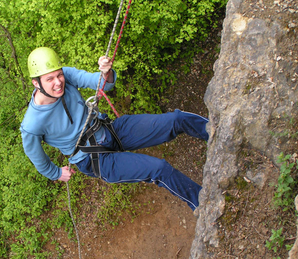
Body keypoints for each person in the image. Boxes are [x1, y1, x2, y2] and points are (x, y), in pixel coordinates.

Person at [20, 47, 209, 211]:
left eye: (59, 74)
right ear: (36, 83)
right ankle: (205, 204)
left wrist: (105, 73)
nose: (58, 82)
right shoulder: (32, 124)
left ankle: (213, 132)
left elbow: (103, 84)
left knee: (176, 119)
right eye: (50, 79)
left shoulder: (67, 77)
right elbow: (36, 156)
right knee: (160, 169)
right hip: (94, 159)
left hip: (109, 130)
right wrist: (56, 173)